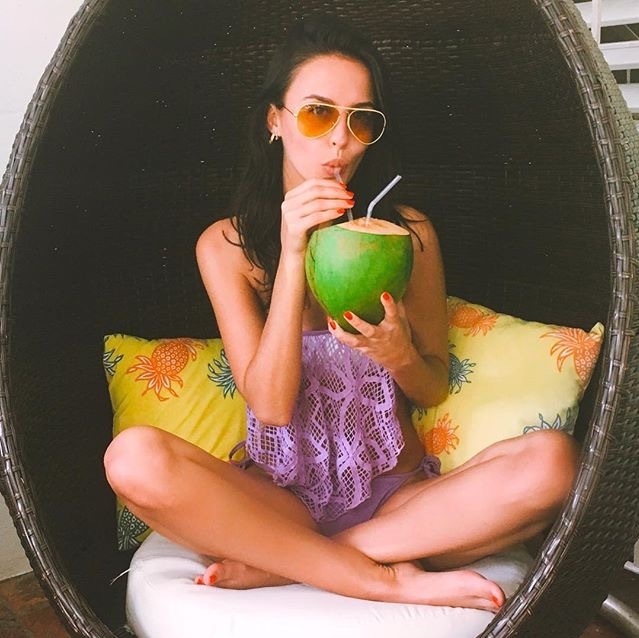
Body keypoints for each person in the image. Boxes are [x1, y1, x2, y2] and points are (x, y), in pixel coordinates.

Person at [104, 15, 579, 610]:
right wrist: (293, 251)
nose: (340, 140)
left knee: (554, 462)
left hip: (397, 503)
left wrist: (400, 355)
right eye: (317, 113)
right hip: (278, 501)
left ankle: (295, 563)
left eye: (360, 120)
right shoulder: (225, 247)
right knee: (133, 460)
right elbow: (271, 406)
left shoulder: (408, 233)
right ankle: (378, 578)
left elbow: (432, 385)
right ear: (275, 120)